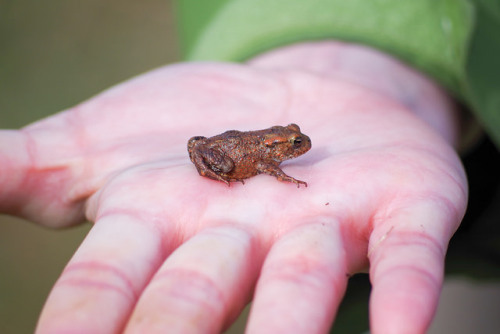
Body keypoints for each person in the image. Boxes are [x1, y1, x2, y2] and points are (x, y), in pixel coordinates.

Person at [1, 1, 498, 333]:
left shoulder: (276, 144)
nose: (299, 146)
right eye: (294, 143)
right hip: (229, 149)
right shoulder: (268, 153)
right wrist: (277, 174)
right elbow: (260, 159)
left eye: (295, 142)